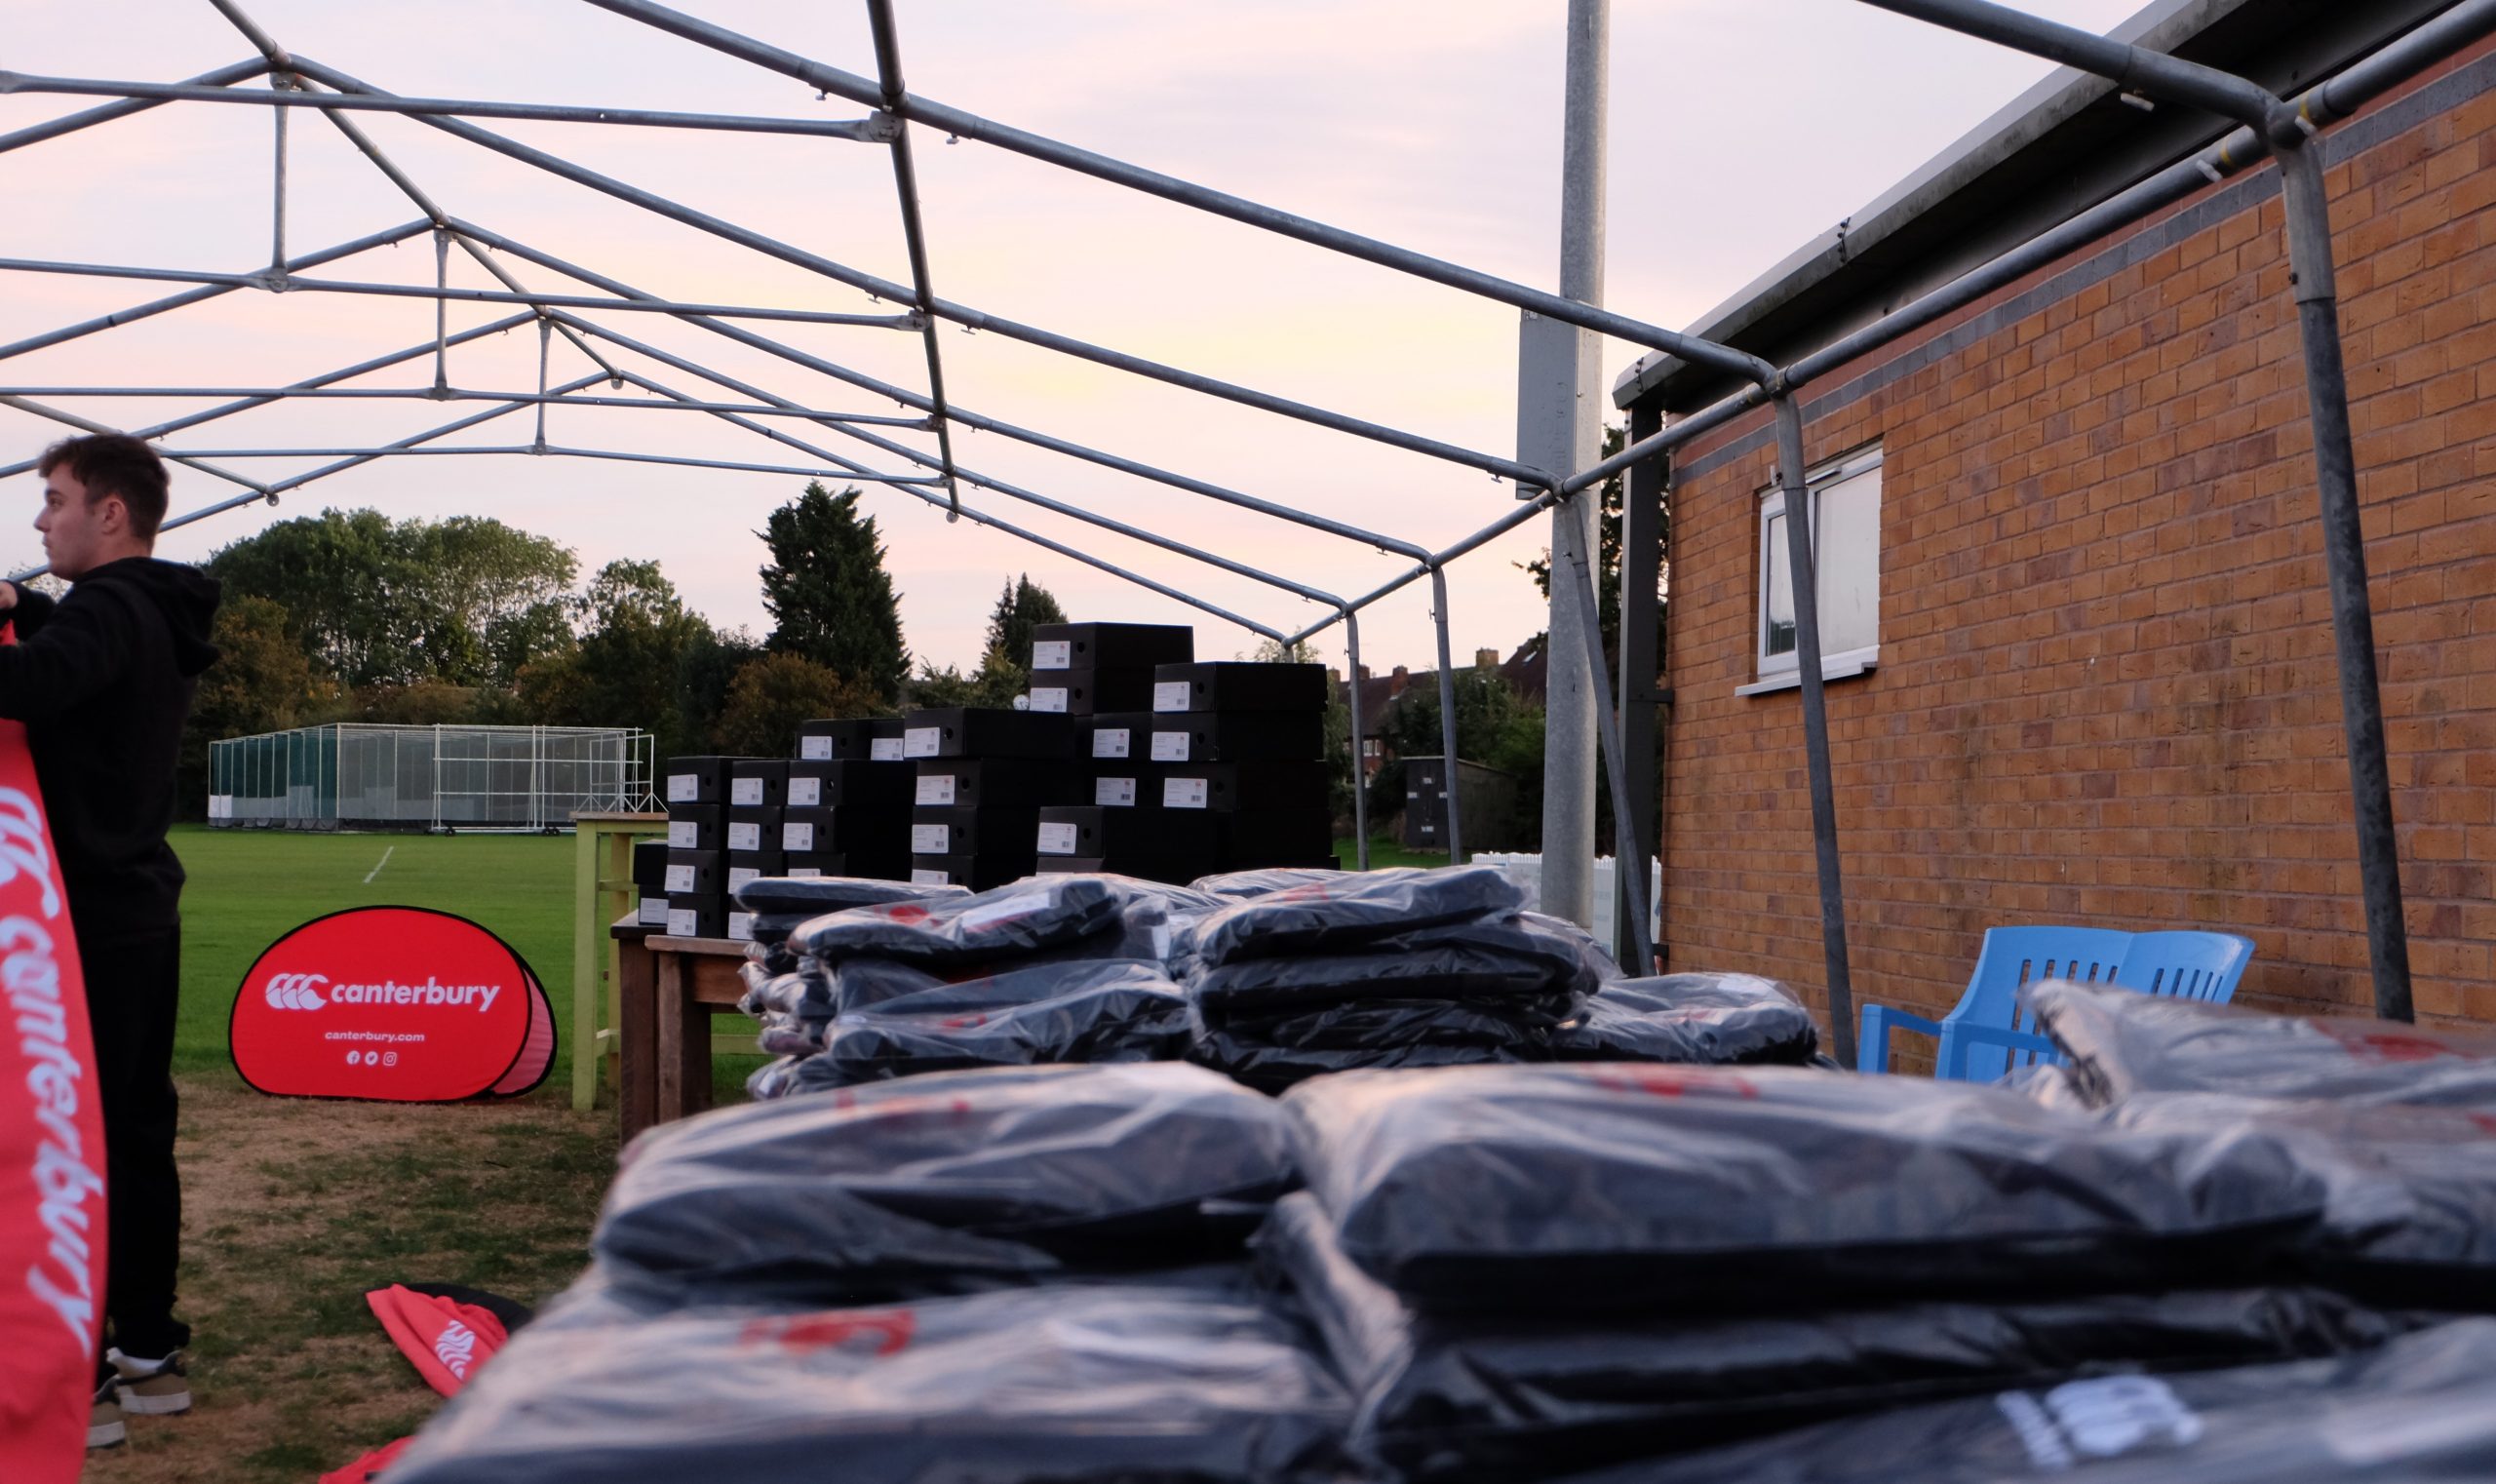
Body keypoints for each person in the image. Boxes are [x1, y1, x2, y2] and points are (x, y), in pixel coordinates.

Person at [0, 435, 219, 1449]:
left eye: (54, 501)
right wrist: (25, 611)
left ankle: (73, 1368)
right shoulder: (148, 611)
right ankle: (147, 1350)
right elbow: (66, 656)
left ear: (111, 514)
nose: (41, 520)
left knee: (68, 1141)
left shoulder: (109, 608)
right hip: (137, 907)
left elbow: (33, 687)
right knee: (134, 1133)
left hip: (80, 918)